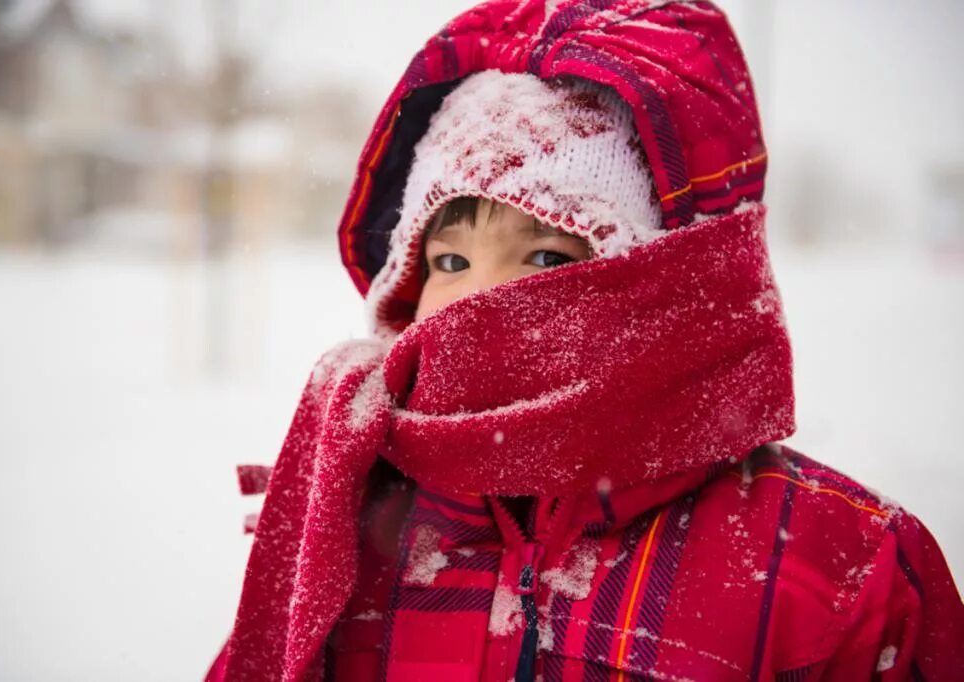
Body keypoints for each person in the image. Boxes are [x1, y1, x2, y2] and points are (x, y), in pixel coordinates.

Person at [207, 1, 964, 680]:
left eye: (547, 256)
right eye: (450, 260)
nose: (481, 301)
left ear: (673, 287)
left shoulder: (837, 567)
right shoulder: (343, 523)